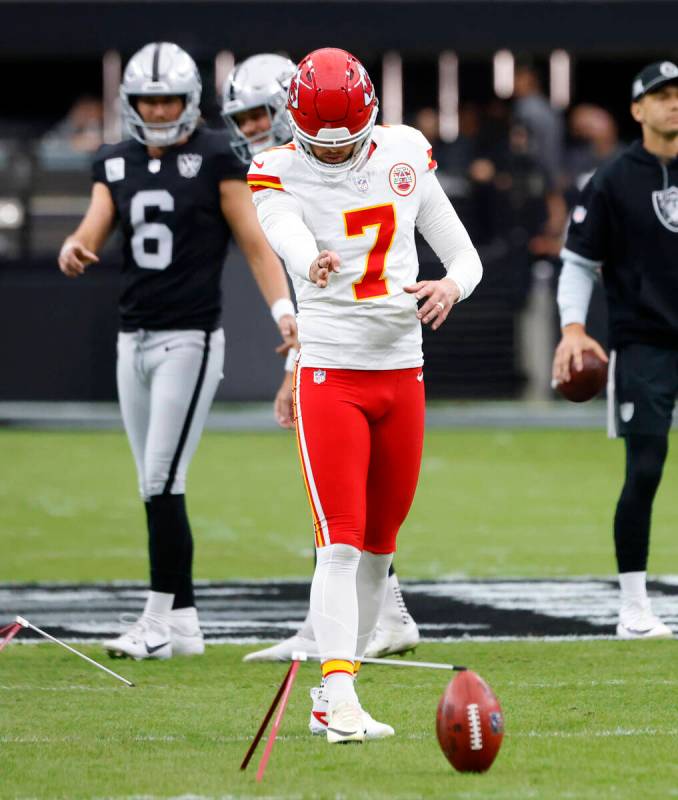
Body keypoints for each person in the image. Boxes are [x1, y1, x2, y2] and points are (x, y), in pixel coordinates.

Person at [250, 48, 482, 742]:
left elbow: (462, 254)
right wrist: (305, 258)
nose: (335, 157)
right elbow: (285, 230)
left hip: (402, 371)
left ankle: (339, 690)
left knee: (381, 546)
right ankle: (338, 694)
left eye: (347, 144)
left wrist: (450, 287)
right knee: (340, 543)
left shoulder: (403, 151)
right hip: (332, 371)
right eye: (322, 148)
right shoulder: (277, 166)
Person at [58, 42, 297, 660]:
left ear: (190, 102)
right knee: (152, 483)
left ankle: (157, 617)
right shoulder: (113, 162)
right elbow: (94, 225)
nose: (160, 111)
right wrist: (75, 247)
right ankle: (184, 623)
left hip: (188, 337)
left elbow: (254, 244)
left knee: (163, 478)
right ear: (130, 104)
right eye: (148, 101)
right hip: (130, 336)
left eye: (168, 99)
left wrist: (283, 312)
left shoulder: (218, 156)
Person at [222, 52, 422, 663]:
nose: (255, 126)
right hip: (344, 343)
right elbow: (295, 257)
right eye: (246, 115)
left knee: (351, 508)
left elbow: (323, 277)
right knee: (346, 504)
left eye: (263, 112)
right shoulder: (287, 164)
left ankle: (350, 628)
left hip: (370, 344)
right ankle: (372, 620)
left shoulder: (339, 157)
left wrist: (296, 362)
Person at [552, 61, 678, 640]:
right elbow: (578, 263)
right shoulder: (612, 179)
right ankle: (634, 605)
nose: (673, 104)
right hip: (645, 342)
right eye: (661, 96)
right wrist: (573, 329)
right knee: (645, 469)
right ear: (637, 109)